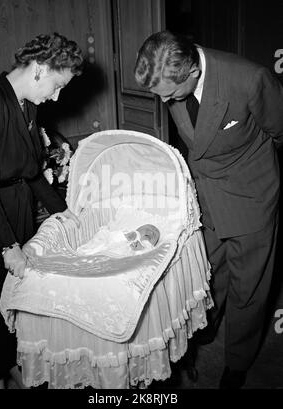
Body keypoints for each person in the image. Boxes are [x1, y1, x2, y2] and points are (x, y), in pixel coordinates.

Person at [134, 30, 283, 389]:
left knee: (249, 286)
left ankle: (238, 360)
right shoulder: (172, 80)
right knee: (207, 272)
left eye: (168, 94)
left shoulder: (249, 79)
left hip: (250, 198)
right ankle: (205, 326)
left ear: (192, 73)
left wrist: (259, 178)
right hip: (206, 195)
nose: (163, 101)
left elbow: (280, 131)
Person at [0, 32, 84, 389]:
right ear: (40, 68)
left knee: (17, 301)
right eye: (57, 85)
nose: (57, 96)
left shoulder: (28, 104)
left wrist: (65, 213)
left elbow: (33, 173)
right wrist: (8, 245)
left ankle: (13, 364)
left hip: (20, 210)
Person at [77, 223, 160, 257]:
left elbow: (145, 260)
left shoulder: (149, 248)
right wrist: (124, 236)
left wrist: (141, 249)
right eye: (147, 228)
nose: (152, 231)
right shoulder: (127, 234)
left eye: (155, 235)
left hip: (119, 262)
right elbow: (109, 238)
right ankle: (86, 255)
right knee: (103, 236)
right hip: (105, 251)